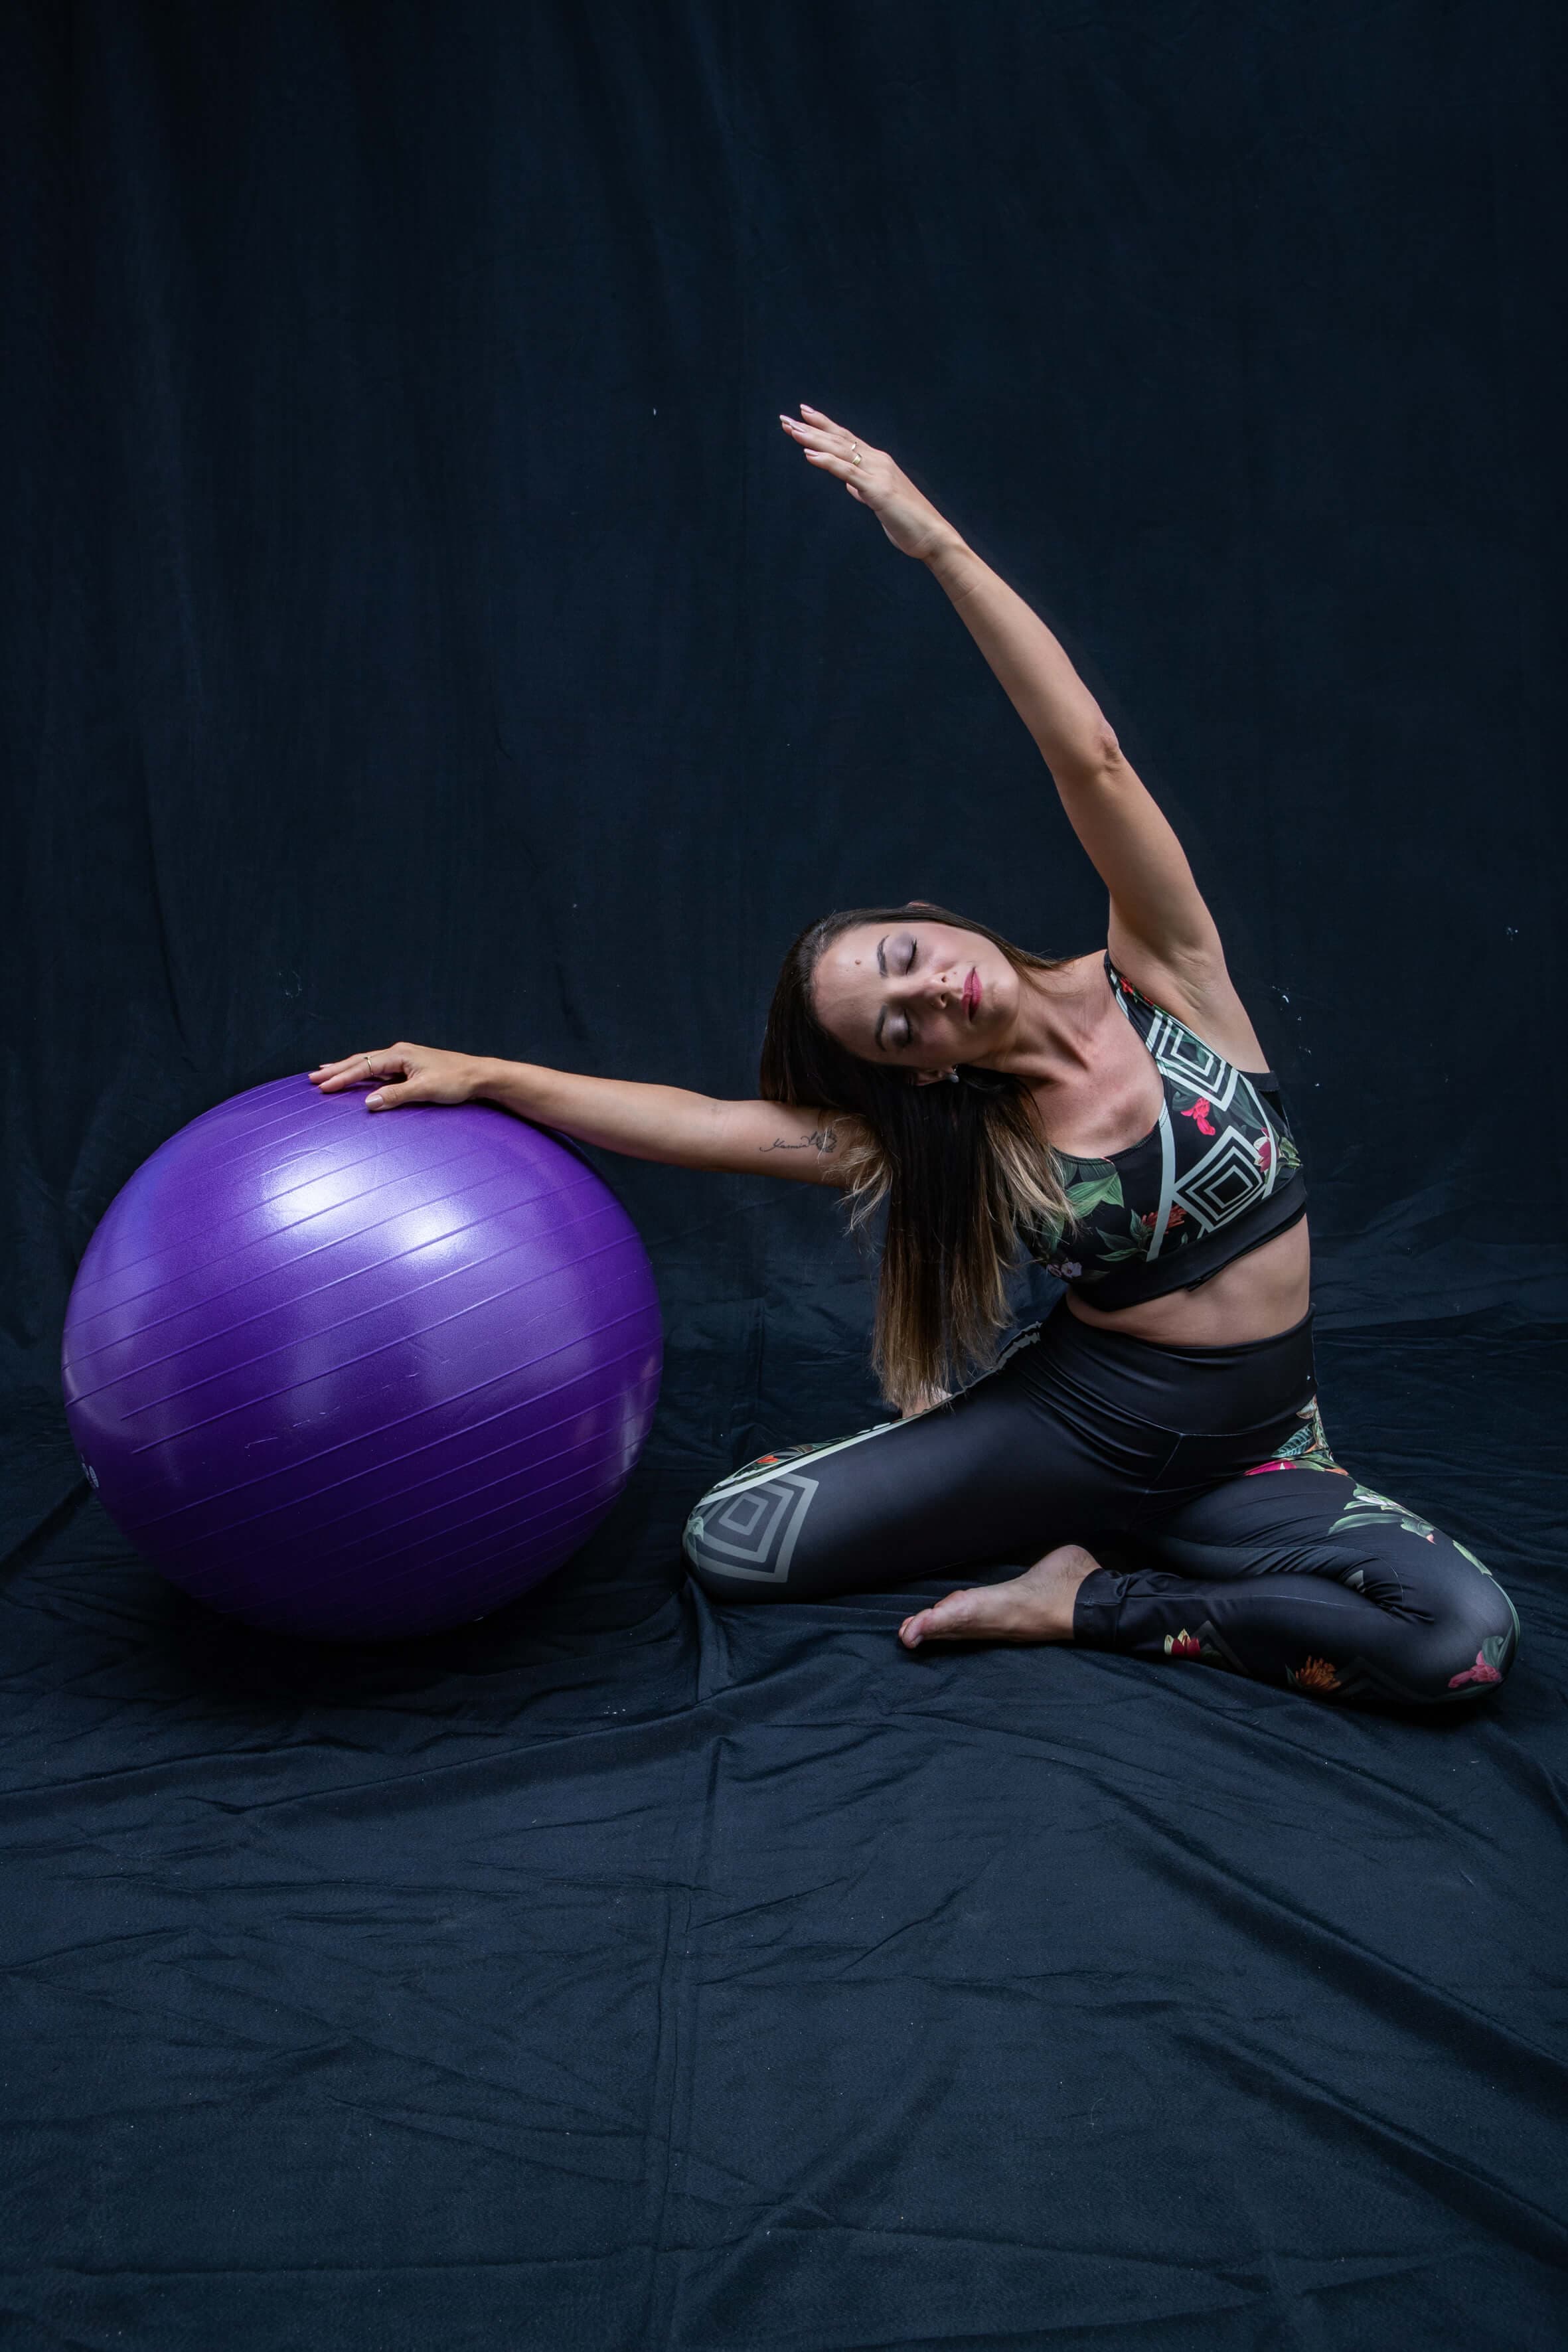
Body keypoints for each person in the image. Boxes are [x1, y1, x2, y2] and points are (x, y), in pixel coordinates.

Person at [309, 404, 1518, 1708]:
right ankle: (1035, 1513)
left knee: (1455, 1643)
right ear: (918, 1068)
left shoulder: (1165, 974)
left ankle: (1085, 1598)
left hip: (1260, 1459)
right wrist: (494, 1075)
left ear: (927, 925)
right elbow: (705, 1122)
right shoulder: (961, 1138)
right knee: (731, 1541)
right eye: (898, 1028)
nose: (927, 996)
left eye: (901, 960)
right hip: (1077, 1432)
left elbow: (1088, 755)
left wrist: (933, 541)